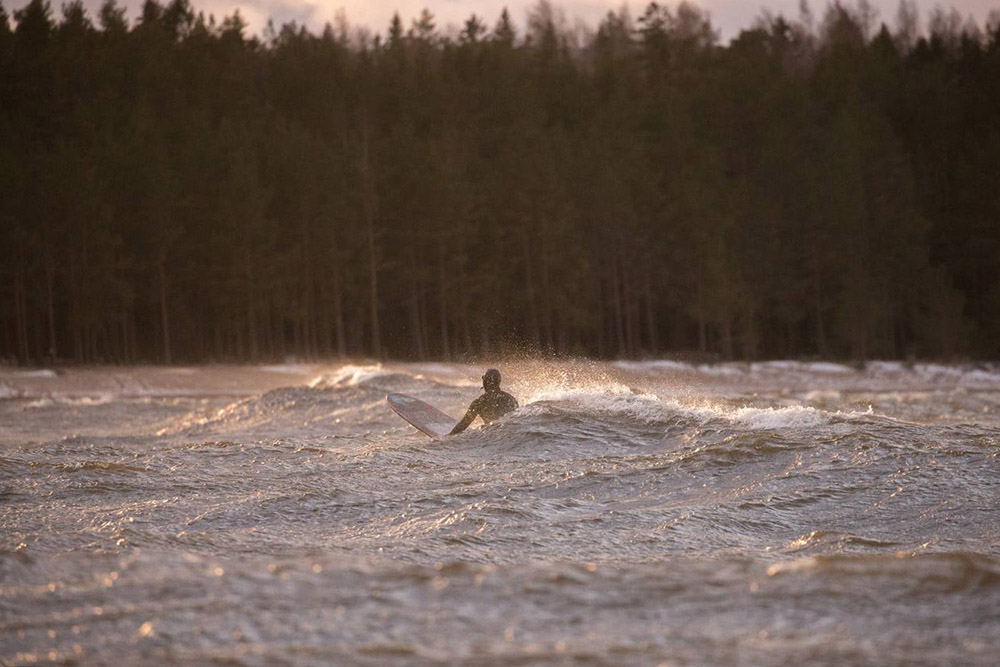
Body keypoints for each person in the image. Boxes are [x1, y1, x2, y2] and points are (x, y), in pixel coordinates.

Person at [449, 368, 518, 435]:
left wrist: (446, 439)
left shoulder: (478, 403)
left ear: (484, 382)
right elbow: (519, 421)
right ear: (499, 382)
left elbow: (462, 425)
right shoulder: (510, 399)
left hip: (490, 436)